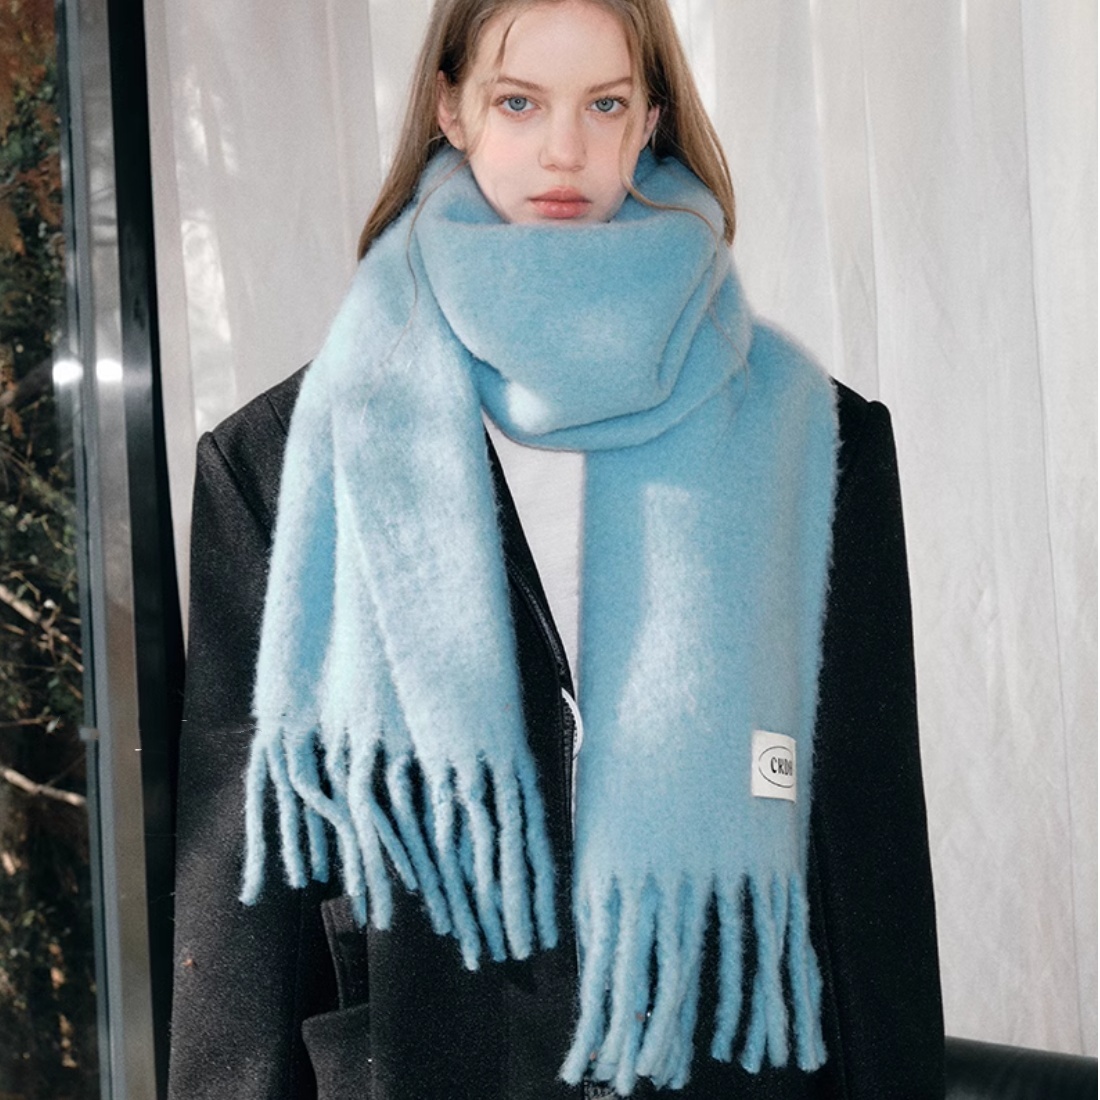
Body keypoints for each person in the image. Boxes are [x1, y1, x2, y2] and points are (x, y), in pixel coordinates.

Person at [167, 1, 944, 1097]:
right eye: (519, 102)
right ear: (450, 109)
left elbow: (870, 879)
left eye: (605, 103)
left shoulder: (812, 443)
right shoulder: (288, 463)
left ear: (651, 118)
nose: (565, 151)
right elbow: (244, 905)